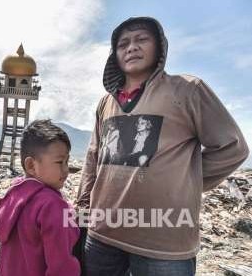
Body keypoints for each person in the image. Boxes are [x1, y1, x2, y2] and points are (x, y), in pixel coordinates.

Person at [76, 17, 249, 275]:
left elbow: (232, 147)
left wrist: (186, 182)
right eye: (123, 44)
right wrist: (82, 214)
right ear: (115, 54)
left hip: (164, 244)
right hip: (103, 236)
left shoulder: (187, 90)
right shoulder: (106, 103)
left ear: (160, 47)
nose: (131, 47)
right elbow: (93, 159)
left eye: (141, 39)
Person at [0, 119, 80, 276]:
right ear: (31, 166)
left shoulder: (14, 194)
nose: (66, 170)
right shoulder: (52, 206)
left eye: (67, 161)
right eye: (60, 162)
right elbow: (61, 267)